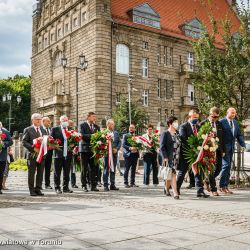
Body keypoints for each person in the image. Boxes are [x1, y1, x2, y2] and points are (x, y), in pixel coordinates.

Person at [177, 109, 209, 198]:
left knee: (198, 172)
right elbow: (184, 139)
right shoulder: (183, 126)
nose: (196, 119)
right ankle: (177, 189)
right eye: (195, 117)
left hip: (196, 154)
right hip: (186, 154)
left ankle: (200, 191)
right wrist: (193, 148)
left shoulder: (198, 127)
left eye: (197, 118)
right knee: (182, 172)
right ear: (189, 117)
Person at [220, 107, 246, 194]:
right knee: (226, 166)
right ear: (227, 112)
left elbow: (239, 135)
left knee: (228, 167)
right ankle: (221, 186)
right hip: (223, 148)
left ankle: (226, 186)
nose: (233, 114)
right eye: (232, 113)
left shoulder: (235, 123)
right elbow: (219, 137)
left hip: (231, 148)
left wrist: (242, 144)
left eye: (234, 113)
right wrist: (221, 149)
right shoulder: (221, 122)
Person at [200, 107, 225, 196]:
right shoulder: (203, 123)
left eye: (217, 117)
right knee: (210, 169)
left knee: (218, 169)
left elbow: (222, 138)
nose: (215, 119)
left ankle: (206, 180)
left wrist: (223, 150)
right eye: (213, 116)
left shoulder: (219, 124)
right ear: (209, 114)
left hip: (218, 150)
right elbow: (199, 137)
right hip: (207, 150)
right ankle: (214, 189)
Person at [22, 114, 46, 196]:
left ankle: (38, 189)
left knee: (40, 172)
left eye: (40, 119)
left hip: (42, 155)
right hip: (32, 155)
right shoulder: (28, 129)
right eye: (37, 119)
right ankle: (31, 190)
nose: (39, 120)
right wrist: (33, 148)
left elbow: (46, 141)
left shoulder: (43, 130)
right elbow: (24, 142)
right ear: (33, 120)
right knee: (31, 173)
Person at [51, 115, 73, 194]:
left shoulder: (71, 130)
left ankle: (66, 187)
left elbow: (74, 140)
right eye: (64, 120)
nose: (65, 122)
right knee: (57, 172)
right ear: (60, 121)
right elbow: (51, 140)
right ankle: (57, 187)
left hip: (68, 154)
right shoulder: (55, 129)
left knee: (67, 172)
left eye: (66, 120)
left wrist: (73, 144)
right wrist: (55, 144)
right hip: (58, 154)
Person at [79, 112, 100, 192]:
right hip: (84, 150)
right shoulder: (82, 125)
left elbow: (98, 137)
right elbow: (82, 135)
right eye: (93, 116)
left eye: (95, 116)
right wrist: (92, 136)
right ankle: (84, 185)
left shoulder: (96, 127)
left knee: (93, 168)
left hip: (93, 150)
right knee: (84, 168)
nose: (95, 118)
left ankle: (93, 185)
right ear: (88, 117)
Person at [160, 116, 180, 199]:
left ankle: (166, 188)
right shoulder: (165, 133)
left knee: (169, 175)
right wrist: (165, 157)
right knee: (173, 174)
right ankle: (175, 192)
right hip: (169, 157)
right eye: (175, 122)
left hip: (177, 157)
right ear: (170, 123)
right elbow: (162, 146)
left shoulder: (177, 133)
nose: (177, 124)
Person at [103, 119, 121, 191]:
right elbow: (101, 143)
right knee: (106, 169)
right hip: (107, 154)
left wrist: (116, 149)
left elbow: (119, 142)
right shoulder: (104, 132)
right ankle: (105, 185)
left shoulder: (116, 133)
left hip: (114, 154)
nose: (114, 125)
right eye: (112, 124)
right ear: (108, 125)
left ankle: (112, 184)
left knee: (113, 169)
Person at [123, 124, 139, 188]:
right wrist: (130, 148)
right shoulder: (125, 135)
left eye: (133, 128)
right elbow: (123, 145)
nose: (131, 129)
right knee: (126, 169)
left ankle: (132, 182)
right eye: (130, 128)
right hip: (128, 154)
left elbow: (139, 144)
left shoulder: (137, 137)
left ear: (135, 129)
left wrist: (137, 147)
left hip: (135, 154)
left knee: (133, 169)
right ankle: (126, 183)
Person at [0, 122, 13, 194]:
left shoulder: (5, 132)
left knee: (1, 173)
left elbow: (11, 141)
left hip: (2, 156)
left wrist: (3, 144)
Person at [42, 116, 53, 189]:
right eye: (48, 121)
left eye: (50, 121)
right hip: (41, 152)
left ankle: (47, 184)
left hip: (49, 152)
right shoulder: (40, 129)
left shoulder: (51, 130)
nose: (49, 123)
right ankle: (38, 184)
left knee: (48, 168)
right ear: (43, 122)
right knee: (40, 169)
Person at [68, 119, 78, 189]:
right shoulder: (65, 130)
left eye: (72, 123)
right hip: (66, 152)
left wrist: (75, 145)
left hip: (73, 152)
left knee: (73, 168)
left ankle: (73, 183)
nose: (71, 125)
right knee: (66, 169)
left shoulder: (74, 131)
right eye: (70, 123)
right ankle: (66, 182)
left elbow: (77, 141)